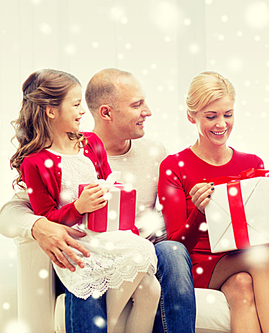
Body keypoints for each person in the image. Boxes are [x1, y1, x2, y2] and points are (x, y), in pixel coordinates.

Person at [1, 68, 196, 333]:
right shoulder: (45, 159)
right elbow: (13, 211)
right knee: (84, 270)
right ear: (106, 112)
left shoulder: (153, 152)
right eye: (137, 104)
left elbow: (175, 205)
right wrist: (39, 226)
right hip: (87, 246)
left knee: (170, 253)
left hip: (136, 243)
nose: (148, 112)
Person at [158, 71, 269, 333]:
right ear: (190, 116)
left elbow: (262, 232)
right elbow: (176, 246)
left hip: (237, 260)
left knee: (242, 286)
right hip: (197, 264)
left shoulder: (252, 163)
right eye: (211, 116)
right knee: (261, 257)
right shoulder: (174, 166)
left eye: (228, 114)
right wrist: (198, 211)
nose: (221, 124)